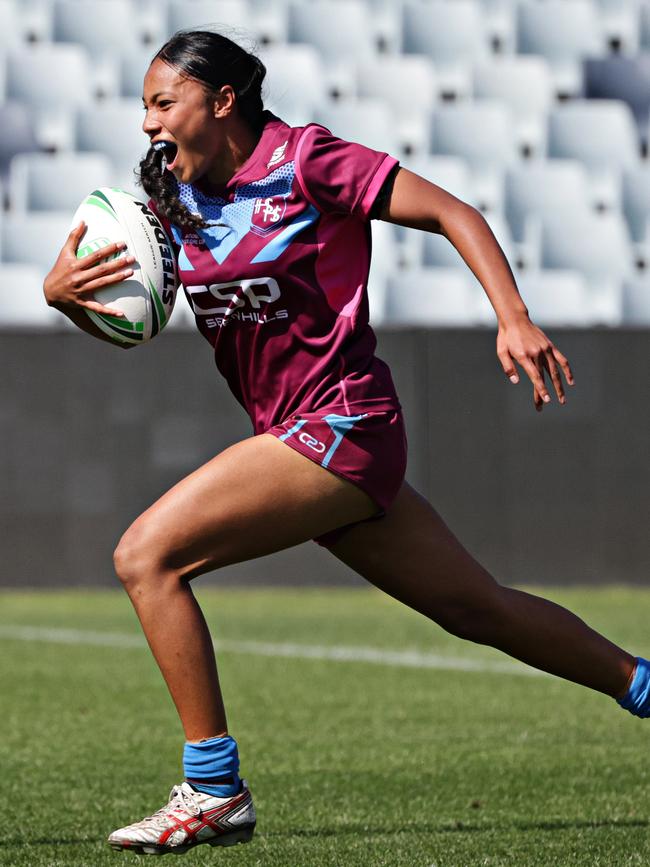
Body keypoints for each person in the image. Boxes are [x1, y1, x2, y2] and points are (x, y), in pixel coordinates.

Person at [43, 30, 650, 858]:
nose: (148, 124)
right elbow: (132, 316)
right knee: (480, 607)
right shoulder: (170, 197)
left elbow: (451, 211)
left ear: (221, 101)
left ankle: (214, 787)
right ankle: (643, 684)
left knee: (146, 556)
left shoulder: (306, 161)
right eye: (144, 107)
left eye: (162, 103)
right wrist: (63, 294)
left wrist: (512, 315)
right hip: (301, 439)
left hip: (341, 422)